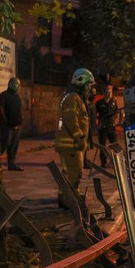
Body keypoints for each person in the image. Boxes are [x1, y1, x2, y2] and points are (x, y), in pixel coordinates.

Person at [55, 68, 95, 205]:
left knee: (68, 173)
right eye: (89, 84)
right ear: (81, 81)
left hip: (70, 144)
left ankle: (64, 198)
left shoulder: (73, 97)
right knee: (75, 173)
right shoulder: (72, 98)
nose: (90, 87)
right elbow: (71, 120)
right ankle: (71, 201)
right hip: (71, 144)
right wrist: (79, 138)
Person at [0, 77, 23, 171]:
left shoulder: (17, 96)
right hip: (7, 126)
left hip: (16, 125)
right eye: (15, 83)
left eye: (17, 84)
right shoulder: (3, 96)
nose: (16, 85)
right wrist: (5, 120)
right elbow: (1, 109)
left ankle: (12, 164)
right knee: (3, 144)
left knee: (13, 146)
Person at [95, 84, 119, 166]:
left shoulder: (113, 102)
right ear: (103, 93)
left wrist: (115, 120)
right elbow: (94, 114)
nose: (107, 93)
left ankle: (115, 161)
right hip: (103, 128)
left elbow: (116, 112)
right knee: (103, 146)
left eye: (109, 92)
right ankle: (103, 162)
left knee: (114, 145)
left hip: (111, 127)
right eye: (106, 92)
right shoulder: (98, 103)